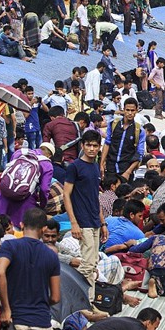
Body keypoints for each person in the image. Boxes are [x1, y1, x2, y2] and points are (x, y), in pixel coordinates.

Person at [0, 208, 60, 330]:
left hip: (16, 323)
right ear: (43, 229)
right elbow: (55, 297)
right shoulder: (51, 255)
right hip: (42, 324)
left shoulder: (10, 247)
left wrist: (6, 309)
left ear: (22, 225)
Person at [64, 130, 108, 314]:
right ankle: (75, 300)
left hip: (94, 220)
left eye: (95, 146)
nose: (91, 149)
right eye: (88, 145)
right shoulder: (75, 167)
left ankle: (88, 303)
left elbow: (94, 196)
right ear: (82, 146)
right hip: (82, 221)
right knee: (88, 264)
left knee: (92, 264)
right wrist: (74, 222)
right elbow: (66, 194)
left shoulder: (95, 166)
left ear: (99, 148)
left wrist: (103, 222)